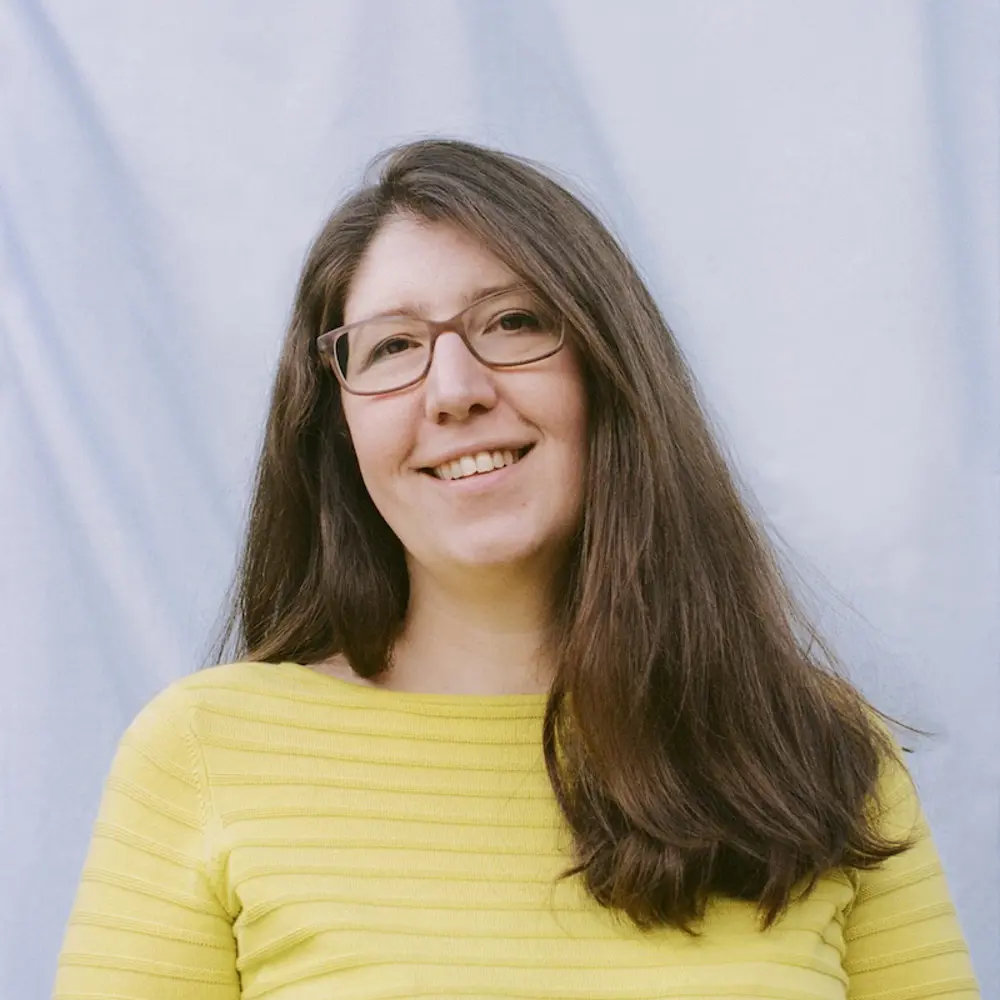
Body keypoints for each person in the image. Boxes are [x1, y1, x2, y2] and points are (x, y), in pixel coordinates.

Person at [53, 139, 980, 999]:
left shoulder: (813, 748)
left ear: (611, 371)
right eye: (392, 347)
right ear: (338, 428)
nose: (455, 390)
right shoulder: (207, 751)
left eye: (512, 321)